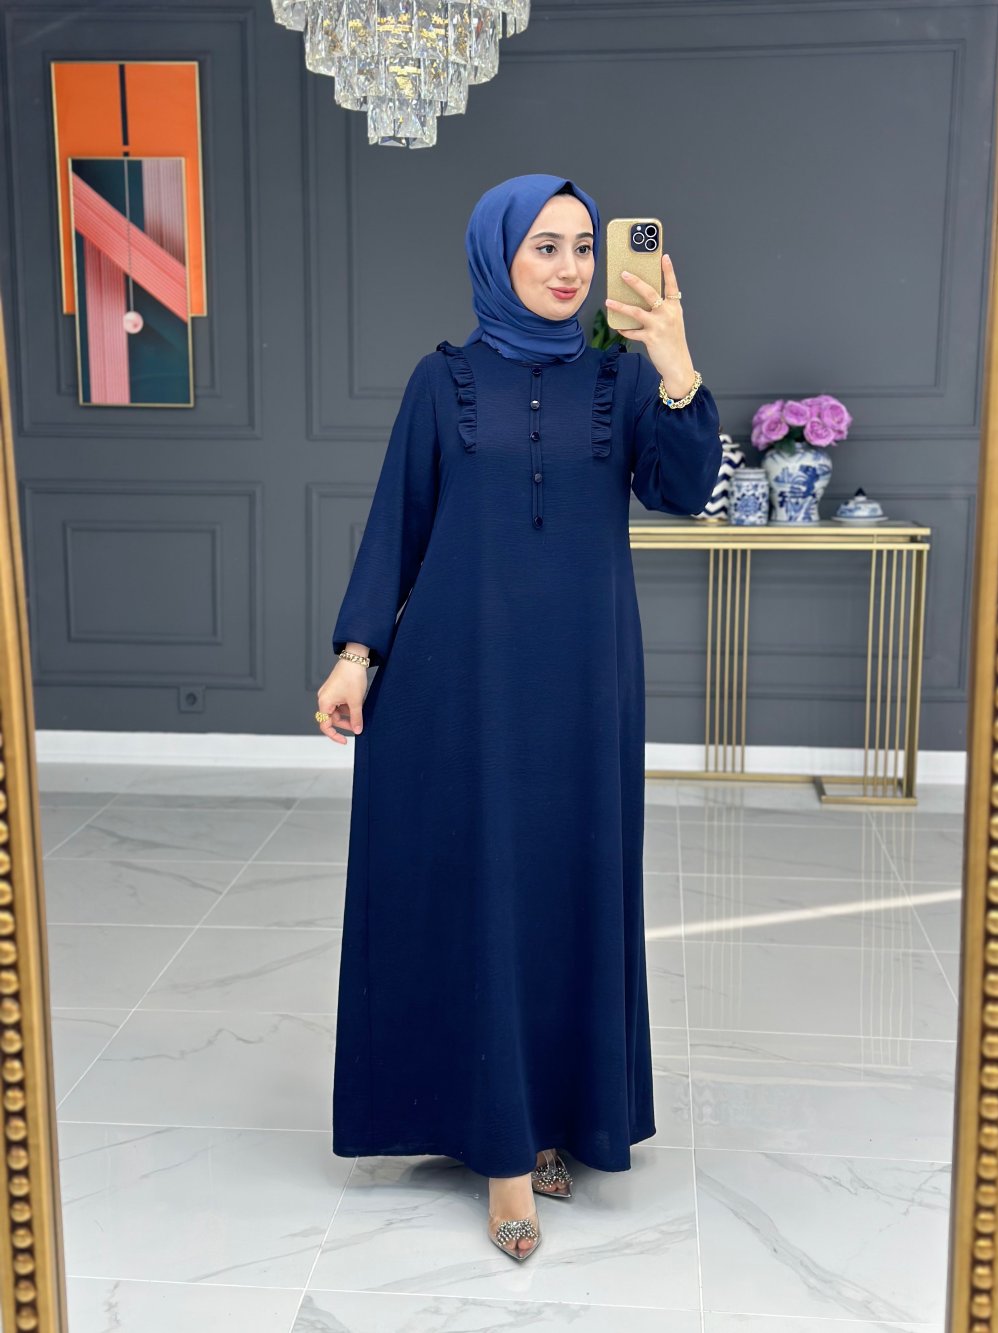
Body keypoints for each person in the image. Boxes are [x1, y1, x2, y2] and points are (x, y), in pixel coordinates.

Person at [315, 174, 722, 1262]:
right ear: (498, 256)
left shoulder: (621, 378)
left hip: (584, 686)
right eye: (545, 245)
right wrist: (356, 656)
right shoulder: (440, 380)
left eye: (584, 247)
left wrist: (676, 360)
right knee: (481, 887)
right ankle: (504, 1152)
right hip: (458, 686)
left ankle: (549, 1116)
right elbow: (397, 525)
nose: (570, 267)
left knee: (565, 889)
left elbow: (683, 490)